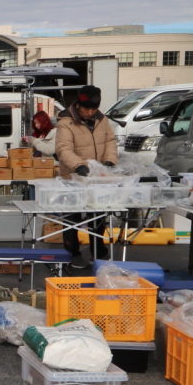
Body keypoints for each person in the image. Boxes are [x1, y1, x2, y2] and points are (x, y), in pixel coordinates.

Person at [56, 85, 118, 268]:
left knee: (98, 216)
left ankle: (98, 253)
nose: (90, 112)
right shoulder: (65, 122)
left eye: (93, 109)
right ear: (78, 106)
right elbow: (63, 149)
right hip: (72, 177)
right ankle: (72, 252)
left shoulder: (102, 120)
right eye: (86, 109)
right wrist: (79, 165)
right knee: (71, 217)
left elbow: (110, 141)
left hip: (97, 178)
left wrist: (109, 160)